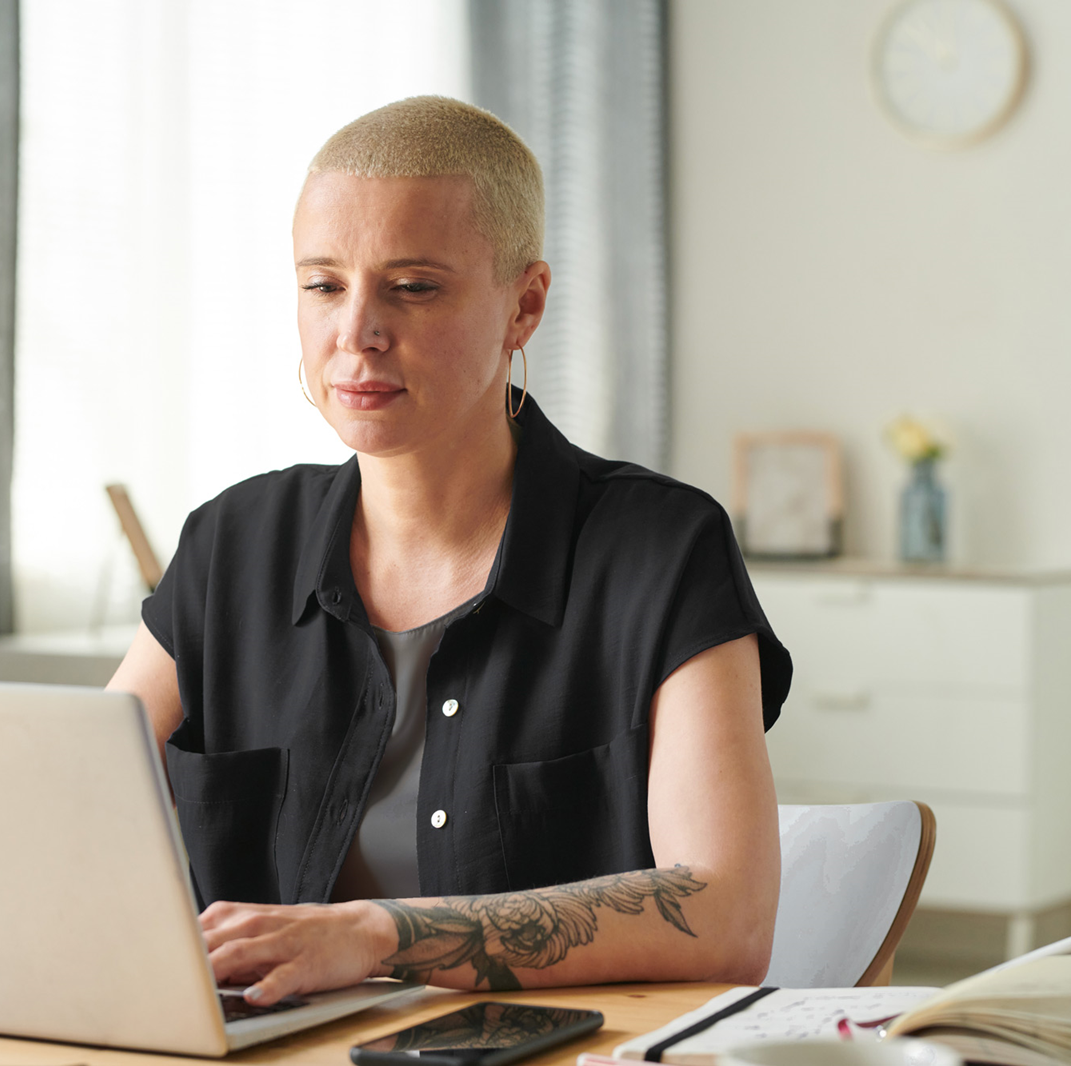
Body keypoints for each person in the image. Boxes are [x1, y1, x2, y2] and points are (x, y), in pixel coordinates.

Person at [108, 96, 791, 1007]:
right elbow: (71, 811)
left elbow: (727, 916)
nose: (356, 332)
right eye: (323, 286)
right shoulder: (232, 543)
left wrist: (380, 935)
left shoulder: (659, 551)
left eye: (414, 286)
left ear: (525, 306)